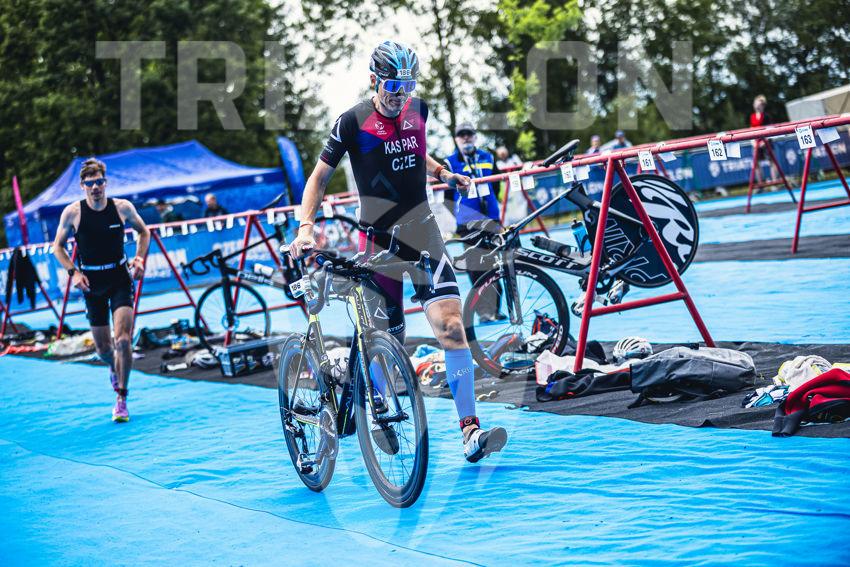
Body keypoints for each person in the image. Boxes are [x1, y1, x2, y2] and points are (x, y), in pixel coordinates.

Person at [290, 40, 507, 463]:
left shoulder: (418, 111)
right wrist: (305, 228)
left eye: (408, 85)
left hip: (424, 233)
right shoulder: (352, 122)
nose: (400, 94)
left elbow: (415, 151)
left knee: (452, 328)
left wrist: (443, 172)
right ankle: (381, 410)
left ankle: (470, 430)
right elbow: (318, 179)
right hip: (378, 242)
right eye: (393, 85)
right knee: (386, 342)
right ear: (374, 80)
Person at [53, 158, 150, 422]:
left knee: (124, 340)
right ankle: (113, 367)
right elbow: (57, 247)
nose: (95, 187)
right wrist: (74, 272)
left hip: (119, 277)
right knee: (104, 349)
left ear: (105, 183)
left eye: (99, 182)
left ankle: (122, 398)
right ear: (82, 186)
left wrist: (139, 259)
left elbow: (143, 232)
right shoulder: (73, 213)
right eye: (90, 183)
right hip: (92, 282)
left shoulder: (122, 208)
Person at [443, 122, 503, 321]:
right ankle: (483, 311)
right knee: (476, 267)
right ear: (456, 139)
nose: (466, 138)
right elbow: (447, 199)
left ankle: (496, 309)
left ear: (475, 136)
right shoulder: (450, 162)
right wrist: (462, 215)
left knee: (496, 264)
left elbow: (496, 185)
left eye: (469, 134)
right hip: (468, 224)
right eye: (462, 135)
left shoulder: (488, 157)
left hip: (491, 220)